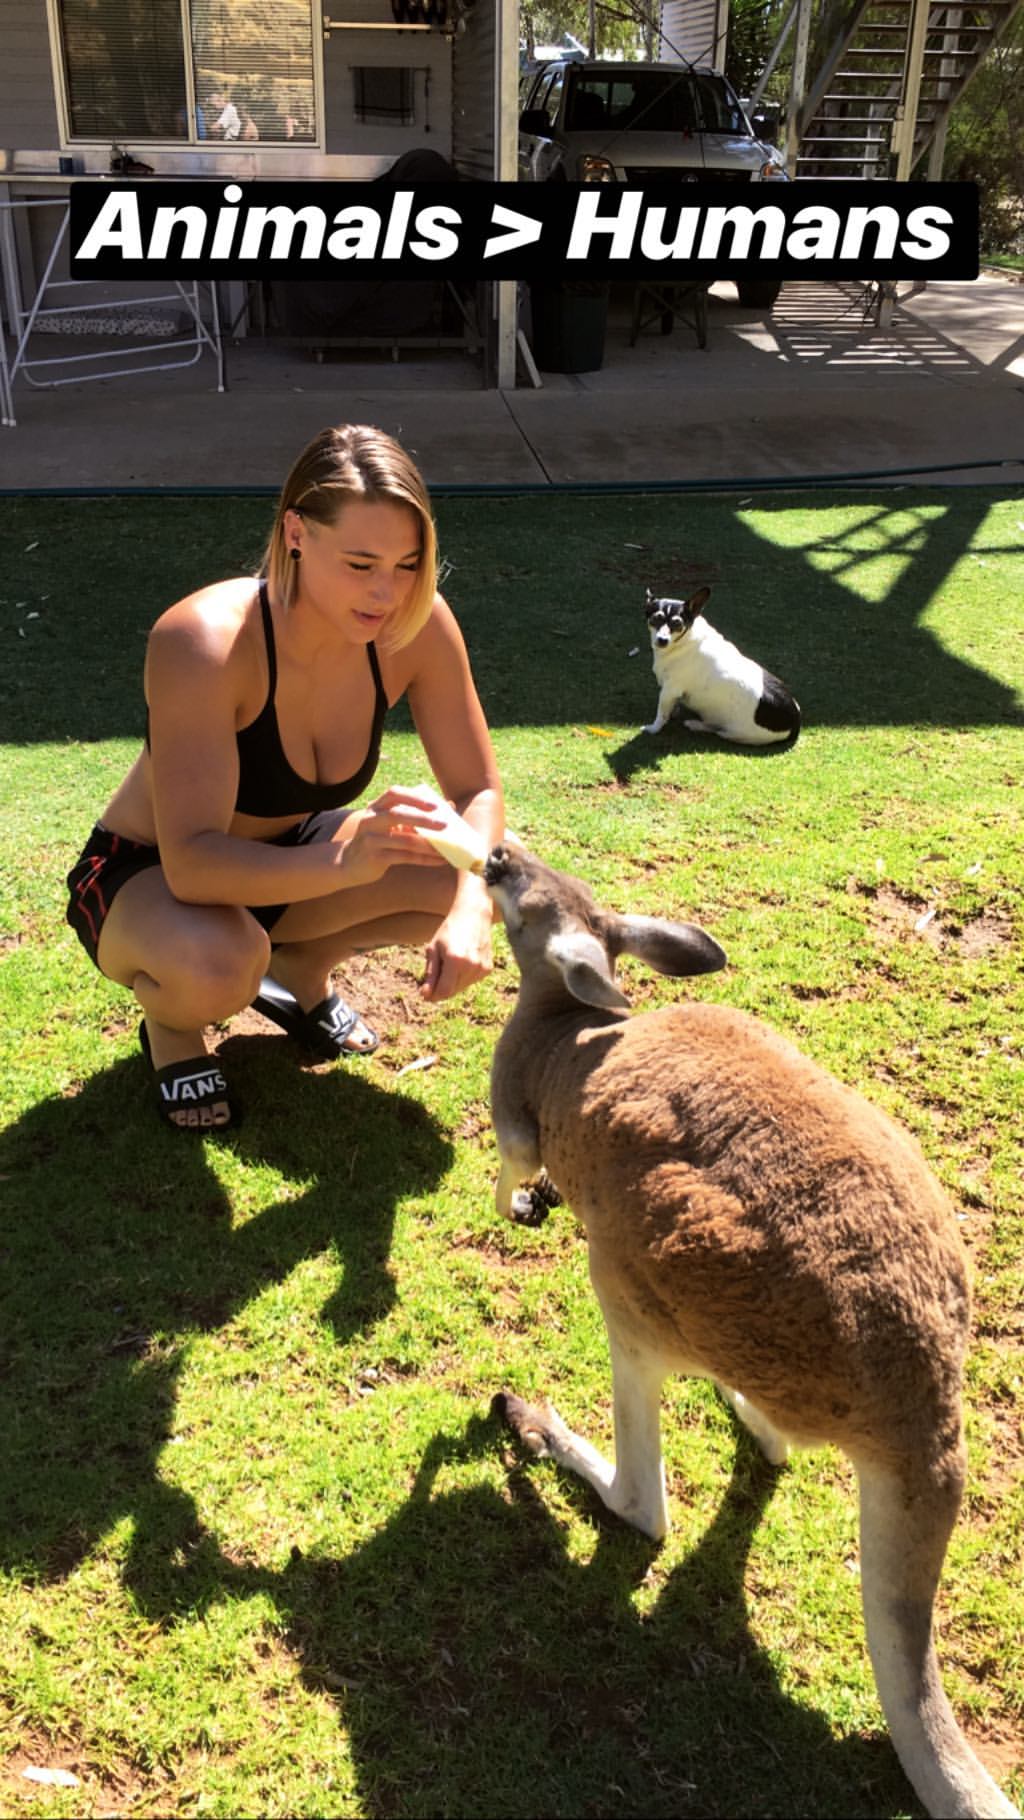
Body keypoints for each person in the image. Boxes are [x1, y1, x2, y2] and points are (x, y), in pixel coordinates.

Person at [65, 425, 504, 1132]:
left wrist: (473, 902)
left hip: (294, 862)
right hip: (151, 877)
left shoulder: (416, 626)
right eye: (361, 564)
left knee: (467, 871)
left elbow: (476, 790)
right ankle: (174, 1029)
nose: (387, 593)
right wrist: (344, 861)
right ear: (296, 533)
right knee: (222, 961)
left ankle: (299, 978)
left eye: (407, 564)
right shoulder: (203, 641)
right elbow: (194, 864)